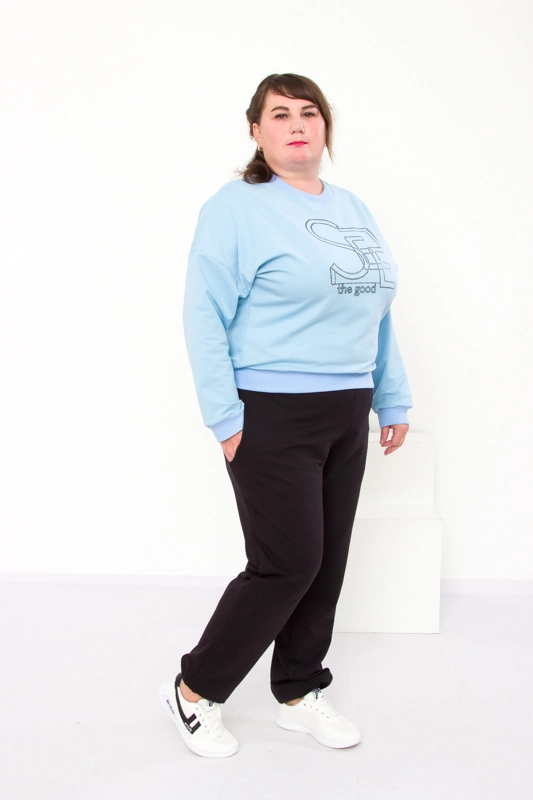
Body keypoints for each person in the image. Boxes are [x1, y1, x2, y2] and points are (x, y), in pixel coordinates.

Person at [159, 73, 412, 758]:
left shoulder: (352, 207)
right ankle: (194, 690)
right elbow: (202, 313)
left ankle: (298, 691)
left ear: (325, 127)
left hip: (346, 408)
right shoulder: (236, 208)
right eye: (279, 114)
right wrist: (225, 416)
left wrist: (389, 395)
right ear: (256, 131)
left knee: (325, 563)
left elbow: (375, 307)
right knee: (286, 563)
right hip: (269, 412)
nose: (296, 124)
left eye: (309, 112)